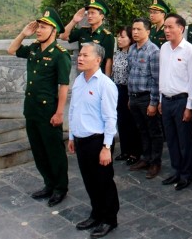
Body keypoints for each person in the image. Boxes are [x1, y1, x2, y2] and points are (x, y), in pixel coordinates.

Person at [7, 8, 71, 207]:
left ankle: (60, 187)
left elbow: (63, 86)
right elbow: (11, 50)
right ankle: (48, 183)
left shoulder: (60, 55)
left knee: (54, 151)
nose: (38, 31)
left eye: (43, 27)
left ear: (54, 31)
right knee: (38, 150)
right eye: (38, 27)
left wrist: (60, 112)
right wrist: (22, 34)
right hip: (32, 109)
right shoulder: (34, 48)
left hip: (49, 111)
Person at [68, 43, 119, 238]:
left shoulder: (105, 84)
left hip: (98, 141)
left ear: (97, 60)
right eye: (79, 55)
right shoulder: (79, 80)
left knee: (104, 182)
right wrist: (72, 135)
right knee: (89, 181)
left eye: (85, 55)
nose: (80, 58)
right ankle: (96, 214)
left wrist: (107, 147)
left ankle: (109, 219)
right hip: (81, 140)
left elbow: (110, 118)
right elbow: (73, 109)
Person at [159, 13, 192, 190]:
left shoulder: (190, 51)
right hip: (166, 100)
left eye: (170, 27)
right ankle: (176, 170)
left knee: (184, 141)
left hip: (182, 101)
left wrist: (190, 106)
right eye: (165, 27)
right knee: (171, 140)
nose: (166, 30)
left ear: (181, 28)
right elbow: (163, 76)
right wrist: (161, 99)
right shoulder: (164, 48)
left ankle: (186, 175)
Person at [127, 18, 163, 179]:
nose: (135, 32)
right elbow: (130, 74)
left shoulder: (153, 51)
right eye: (133, 29)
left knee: (154, 131)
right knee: (141, 130)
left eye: (139, 29)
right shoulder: (132, 49)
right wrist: (129, 97)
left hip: (147, 97)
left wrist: (154, 102)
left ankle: (155, 162)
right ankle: (145, 158)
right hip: (134, 97)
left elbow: (156, 79)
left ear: (148, 32)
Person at [60, 0, 115, 75]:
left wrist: (106, 81)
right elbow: (63, 36)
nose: (89, 16)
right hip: (83, 76)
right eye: (88, 13)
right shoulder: (83, 31)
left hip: (98, 77)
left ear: (101, 16)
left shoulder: (107, 36)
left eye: (92, 13)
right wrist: (74, 21)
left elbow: (108, 61)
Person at [112, 26, 141, 165]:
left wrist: (130, 95)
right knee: (121, 122)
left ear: (130, 39)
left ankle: (134, 152)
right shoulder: (117, 54)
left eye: (123, 36)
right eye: (118, 36)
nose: (119, 39)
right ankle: (124, 151)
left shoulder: (133, 54)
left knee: (131, 123)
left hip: (129, 90)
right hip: (117, 90)